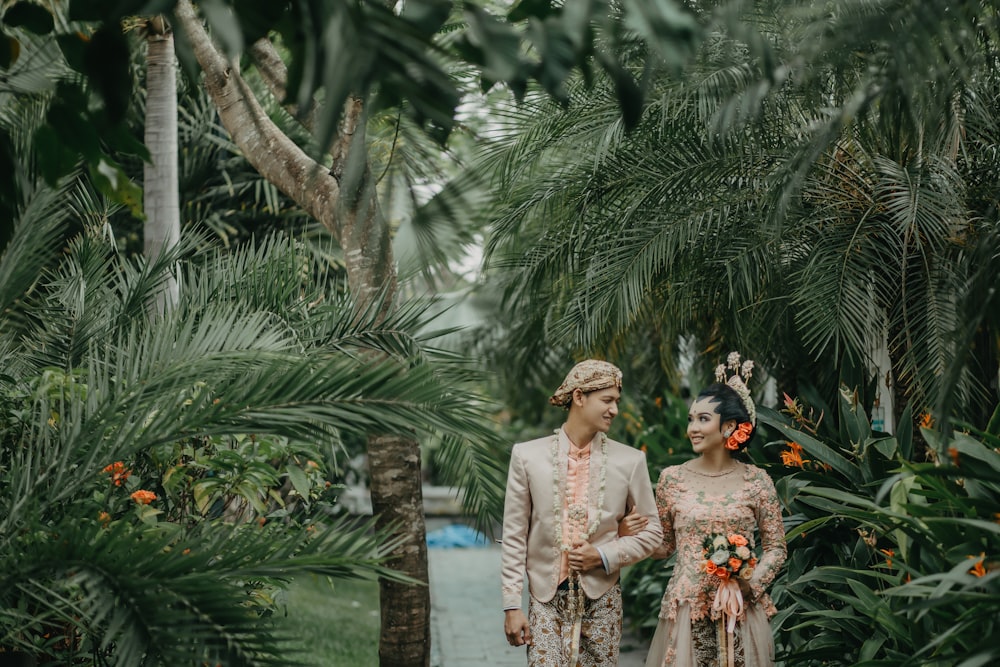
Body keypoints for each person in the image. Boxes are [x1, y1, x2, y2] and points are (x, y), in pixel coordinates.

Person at [501, 359, 664, 666]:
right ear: (579, 397)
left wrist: (604, 555)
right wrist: (512, 606)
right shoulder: (527, 456)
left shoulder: (630, 461)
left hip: (602, 597)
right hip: (544, 597)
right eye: (607, 400)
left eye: (616, 401)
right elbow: (513, 535)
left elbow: (654, 532)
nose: (614, 409)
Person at [641, 352, 786, 667]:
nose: (692, 427)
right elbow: (665, 546)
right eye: (692, 418)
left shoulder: (758, 481)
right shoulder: (671, 479)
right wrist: (632, 532)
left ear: (729, 426)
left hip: (740, 609)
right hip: (687, 608)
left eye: (703, 419)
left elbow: (776, 548)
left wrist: (750, 584)